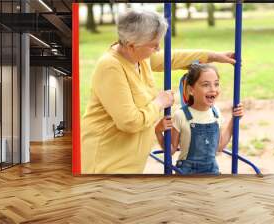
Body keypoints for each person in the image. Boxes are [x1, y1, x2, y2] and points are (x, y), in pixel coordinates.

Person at [81, 9, 236, 174]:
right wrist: (159, 103)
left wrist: (214, 56)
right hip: (106, 163)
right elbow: (129, 121)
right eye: (154, 44)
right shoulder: (110, 67)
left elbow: (173, 58)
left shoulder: (139, 57)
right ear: (132, 45)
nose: (158, 48)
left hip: (129, 162)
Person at [155, 64, 244, 174]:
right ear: (191, 90)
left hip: (212, 170)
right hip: (187, 172)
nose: (213, 89)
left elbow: (219, 146)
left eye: (216, 84)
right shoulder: (181, 115)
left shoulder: (215, 113)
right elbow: (171, 150)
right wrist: (158, 131)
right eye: (206, 85)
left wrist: (234, 119)